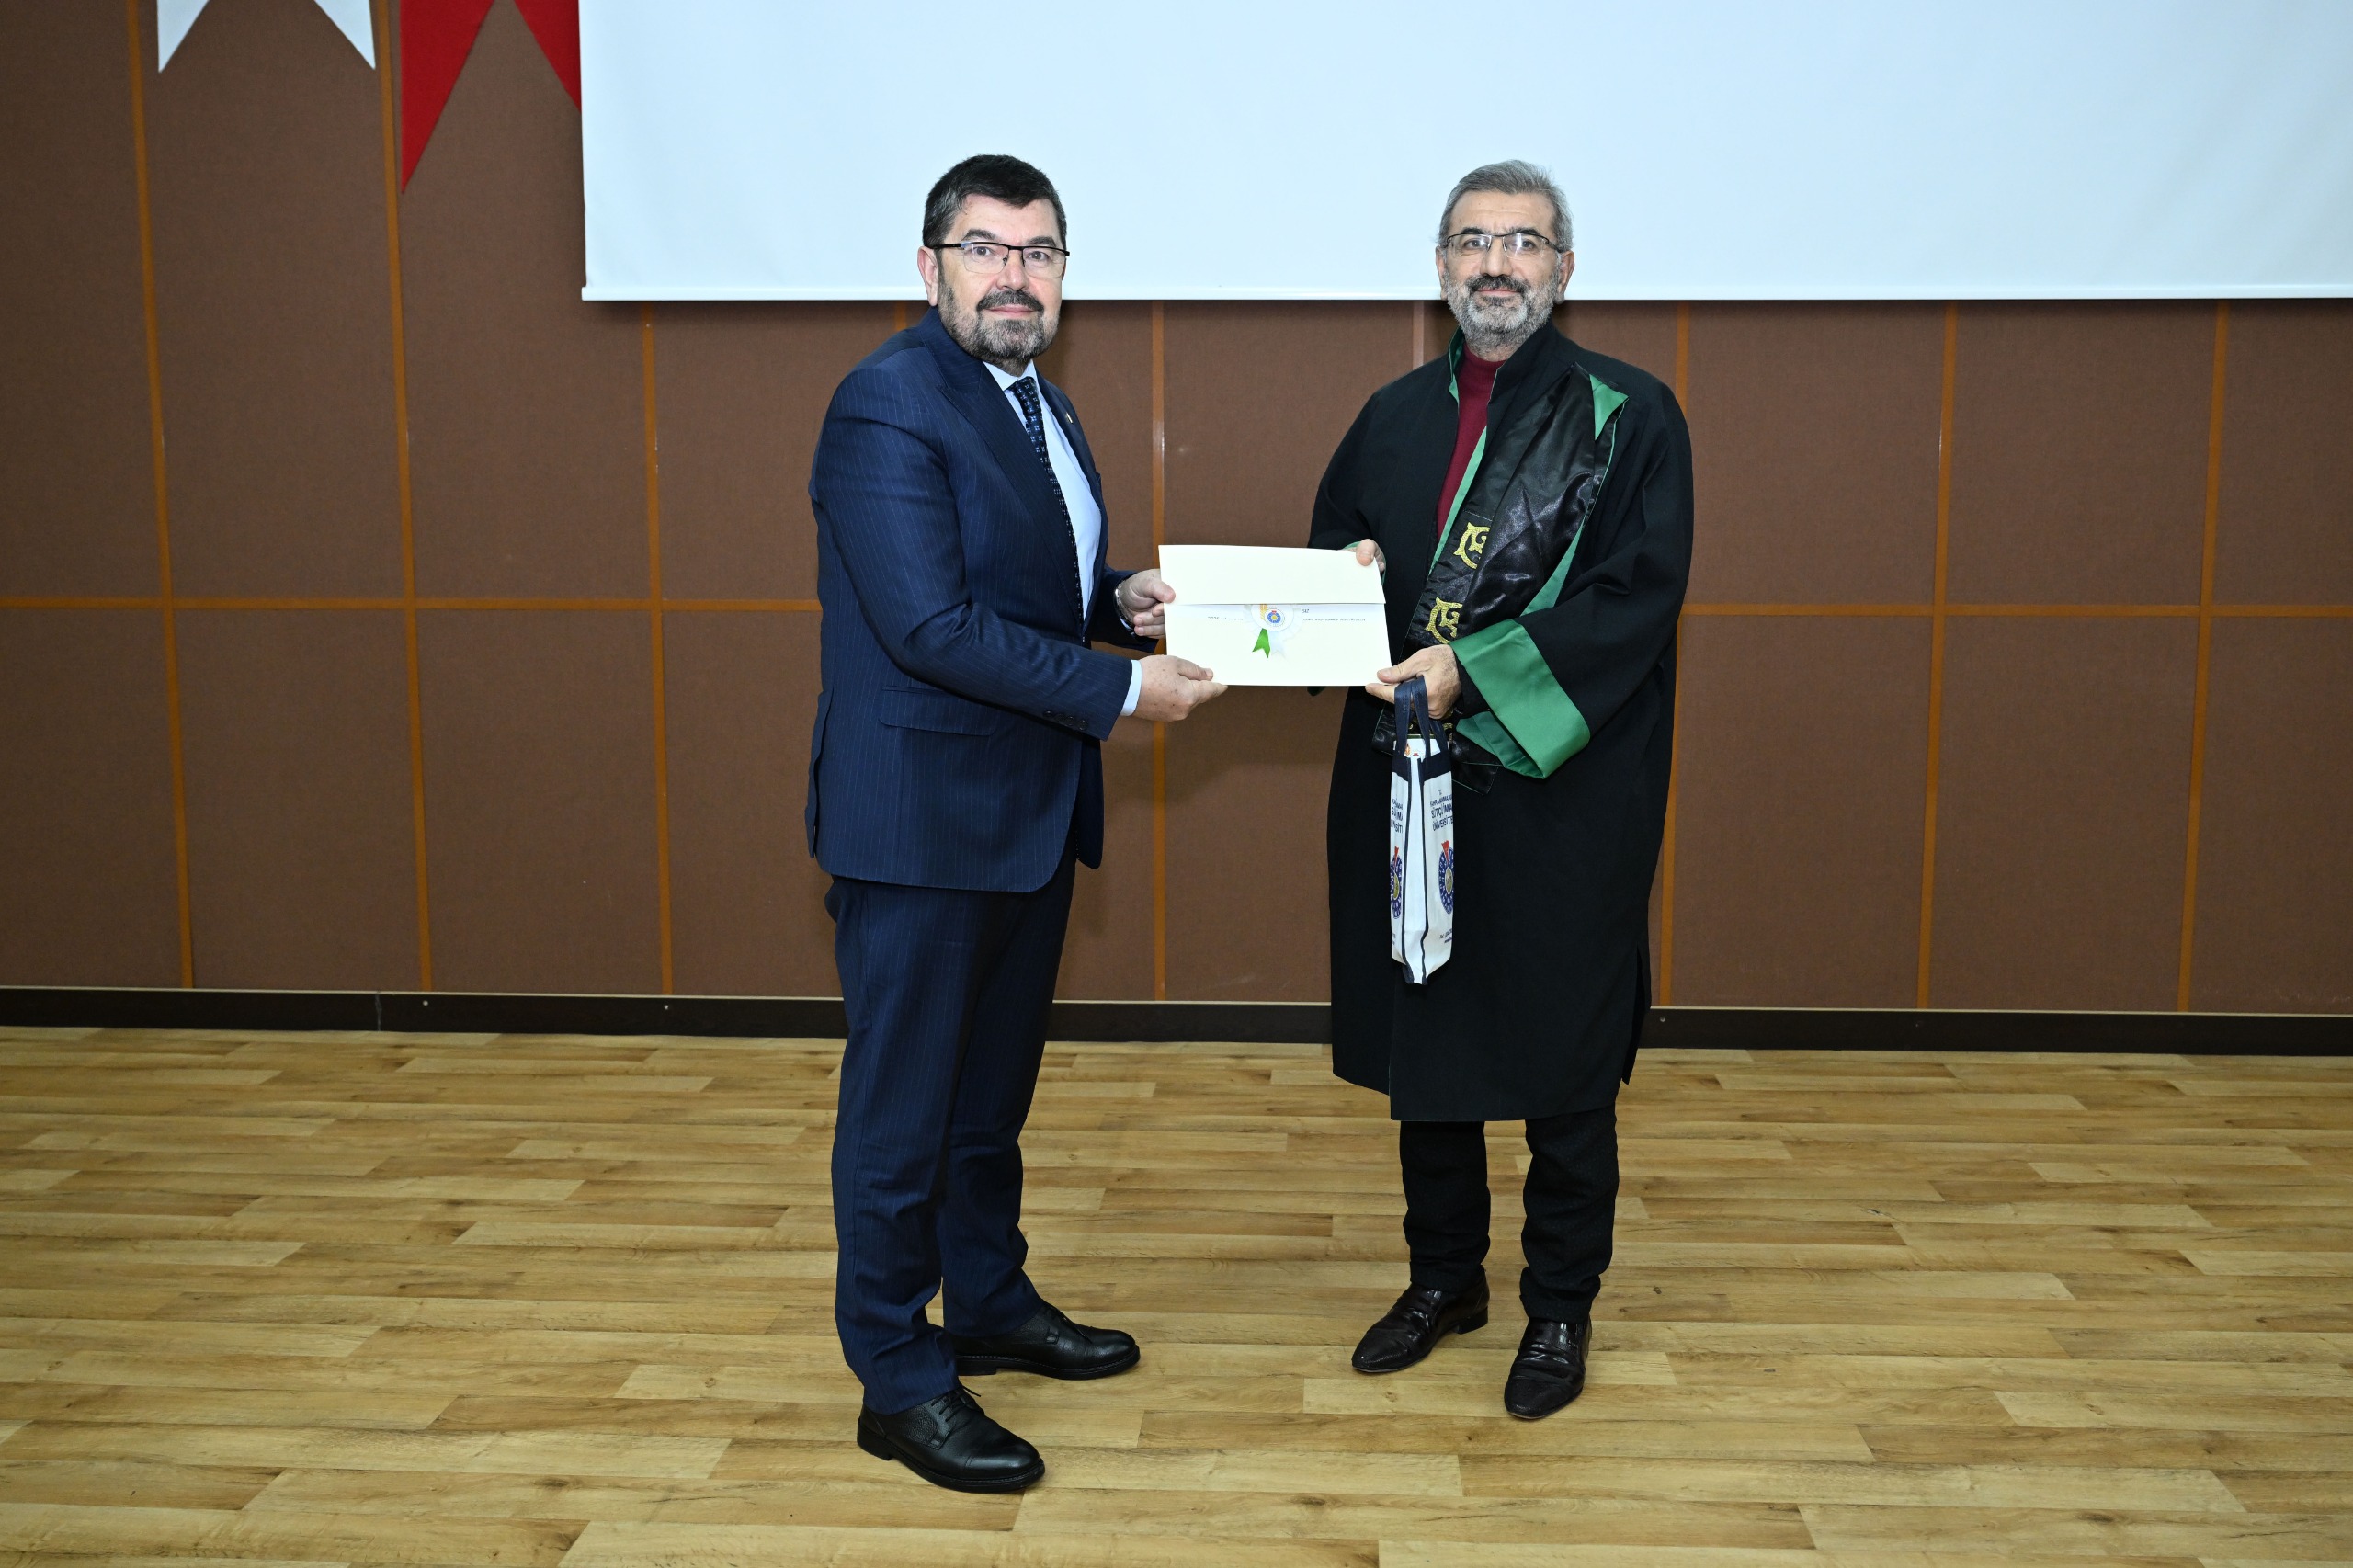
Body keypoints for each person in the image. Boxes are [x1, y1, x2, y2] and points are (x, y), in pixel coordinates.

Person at [807, 154, 1224, 1492]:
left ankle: (985, 1299)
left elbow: (1024, 588)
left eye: (1040, 253)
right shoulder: (887, 400)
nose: (1015, 276)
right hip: (921, 826)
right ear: (930, 266)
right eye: (986, 249)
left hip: (1026, 814)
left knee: (986, 1103)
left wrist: (1120, 601)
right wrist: (1123, 688)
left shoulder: (1042, 401)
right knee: (902, 1118)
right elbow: (930, 625)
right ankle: (897, 1377)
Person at [1311, 161, 1692, 1419]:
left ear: (1563, 270)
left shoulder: (1628, 416)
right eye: (1473, 240)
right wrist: (1346, 584)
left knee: (1564, 1053)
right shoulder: (1388, 416)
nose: (1496, 263)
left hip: (1563, 792)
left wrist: (1469, 668)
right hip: (1412, 783)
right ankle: (1444, 1278)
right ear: (1440, 267)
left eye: (1523, 242)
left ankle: (1560, 1305)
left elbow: (1632, 602)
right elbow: (1328, 578)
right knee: (1430, 1038)